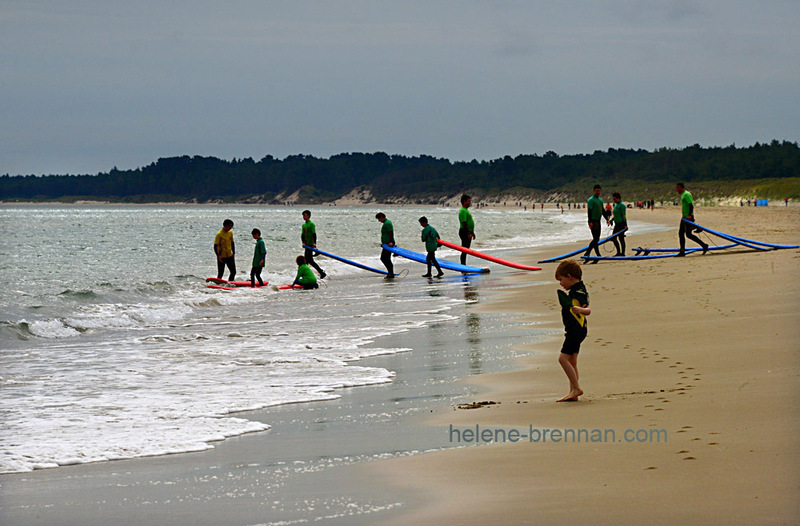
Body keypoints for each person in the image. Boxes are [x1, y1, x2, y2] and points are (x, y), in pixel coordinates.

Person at [554, 260, 591, 402]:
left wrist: (580, 310)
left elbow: (588, 310)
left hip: (575, 330)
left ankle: (576, 388)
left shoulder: (578, 292)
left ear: (569, 277)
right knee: (573, 361)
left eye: (561, 280)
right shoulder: (577, 289)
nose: (561, 284)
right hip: (577, 330)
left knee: (562, 359)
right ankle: (573, 392)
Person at [676, 182, 708, 256]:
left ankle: (683, 251)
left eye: (678, 188)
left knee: (686, 234)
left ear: (681, 188)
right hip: (684, 218)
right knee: (684, 234)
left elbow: (691, 205)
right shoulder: (683, 195)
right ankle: (683, 251)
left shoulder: (686, 194)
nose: (677, 190)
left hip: (688, 218)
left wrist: (690, 215)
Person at [300, 210, 326, 279]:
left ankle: (320, 273)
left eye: (305, 215)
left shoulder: (311, 224)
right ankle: (319, 273)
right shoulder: (304, 225)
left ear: (308, 216)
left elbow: (314, 234)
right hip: (306, 245)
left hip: (310, 245)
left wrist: (314, 243)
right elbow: (302, 235)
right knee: (308, 261)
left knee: (308, 261)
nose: (303, 217)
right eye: (303, 215)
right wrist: (303, 242)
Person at [584, 185, 604, 262]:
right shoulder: (591, 200)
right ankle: (588, 253)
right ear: (593, 191)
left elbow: (602, 210)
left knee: (596, 239)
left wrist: (607, 219)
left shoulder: (600, 200)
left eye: (599, 191)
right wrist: (589, 222)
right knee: (595, 239)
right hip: (593, 221)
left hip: (598, 221)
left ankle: (597, 256)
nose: (598, 192)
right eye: (596, 191)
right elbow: (589, 212)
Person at [607, 192, 628, 256]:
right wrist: (611, 220)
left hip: (621, 224)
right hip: (617, 224)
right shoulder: (615, 205)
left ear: (618, 198)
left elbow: (623, 215)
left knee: (621, 238)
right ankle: (618, 252)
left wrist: (625, 225)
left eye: (615, 199)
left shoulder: (622, 205)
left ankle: (623, 253)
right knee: (613, 238)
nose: (614, 200)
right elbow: (615, 215)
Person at [375, 212, 395, 278]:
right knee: (386, 258)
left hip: (389, 244)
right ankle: (390, 273)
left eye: (379, 219)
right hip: (386, 244)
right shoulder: (386, 223)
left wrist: (391, 242)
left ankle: (391, 273)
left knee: (384, 258)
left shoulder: (387, 223)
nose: (378, 220)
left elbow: (391, 232)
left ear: (382, 217)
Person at [458, 194, 476, 265]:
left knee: (466, 249)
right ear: (464, 202)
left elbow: (469, 222)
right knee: (464, 250)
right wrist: (468, 233)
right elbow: (464, 223)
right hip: (464, 232)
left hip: (467, 231)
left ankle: (464, 265)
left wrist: (472, 232)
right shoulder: (462, 211)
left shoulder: (466, 210)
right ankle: (463, 266)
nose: (470, 203)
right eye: (469, 201)